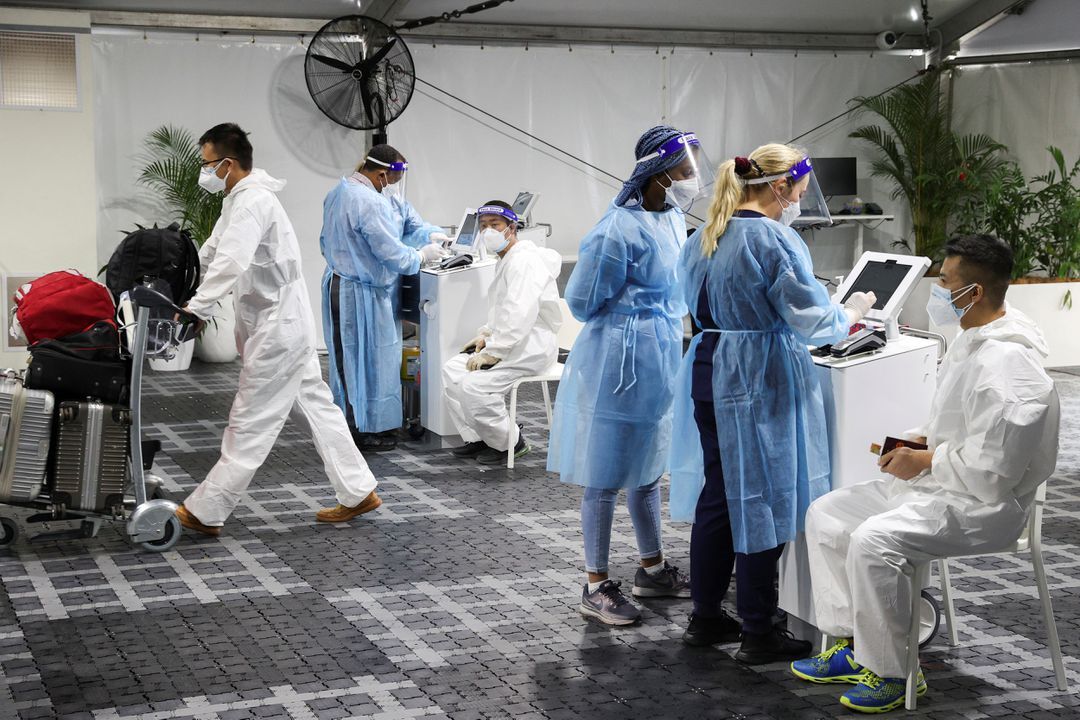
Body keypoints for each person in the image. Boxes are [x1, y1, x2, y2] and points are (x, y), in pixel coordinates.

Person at [791, 234, 1059, 714]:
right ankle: (856, 645)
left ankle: (894, 673)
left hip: (989, 506)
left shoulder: (1011, 365)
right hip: (946, 483)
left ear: (974, 292)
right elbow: (953, 426)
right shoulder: (974, 338)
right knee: (827, 514)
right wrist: (919, 441)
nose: (938, 290)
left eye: (946, 282)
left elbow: (995, 472)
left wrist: (929, 459)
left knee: (874, 539)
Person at [668, 144, 876, 663]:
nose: (804, 199)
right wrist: (847, 313)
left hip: (709, 365)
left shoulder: (703, 237)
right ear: (780, 186)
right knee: (761, 495)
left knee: (719, 494)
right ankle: (759, 630)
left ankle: (706, 616)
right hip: (756, 373)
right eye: (802, 189)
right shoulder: (773, 239)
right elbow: (808, 316)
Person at [175, 123, 382, 537]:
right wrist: (182, 279)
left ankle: (206, 509)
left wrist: (196, 307)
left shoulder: (252, 203)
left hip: (278, 331)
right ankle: (358, 491)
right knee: (318, 409)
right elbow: (213, 251)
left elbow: (231, 263)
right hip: (281, 324)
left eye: (207, 165)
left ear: (228, 164)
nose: (204, 172)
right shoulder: (240, 200)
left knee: (249, 419)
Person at [548, 126, 710, 626]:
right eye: (684, 172)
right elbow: (580, 300)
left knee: (647, 468)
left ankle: (652, 567)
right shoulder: (616, 229)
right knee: (605, 473)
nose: (692, 180)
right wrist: (630, 318)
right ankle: (595, 584)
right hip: (616, 358)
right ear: (658, 174)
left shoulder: (669, 218)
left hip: (658, 353)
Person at [320, 145, 450, 452]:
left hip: (360, 288)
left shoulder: (341, 193)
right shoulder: (365, 201)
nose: (392, 185)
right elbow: (392, 253)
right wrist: (420, 256)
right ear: (380, 174)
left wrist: (432, 235)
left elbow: (409, 223)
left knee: (377, 359)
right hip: (355, 293)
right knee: (354, 360)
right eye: (391, 178)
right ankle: (359, 428)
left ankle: (373, 423)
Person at [443, 201, 563, 465]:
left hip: (532, 346)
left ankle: (510, 443)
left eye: (494, 225)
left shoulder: (524, 262)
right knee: (452, 370)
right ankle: (479, 438)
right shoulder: (506, 259)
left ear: (511, 227)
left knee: (473, 387)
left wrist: (494, 352)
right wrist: (486, 335)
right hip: (514, 340)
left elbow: (520, 313)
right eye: (483, 226)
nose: (488, 231)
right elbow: (503, 311)